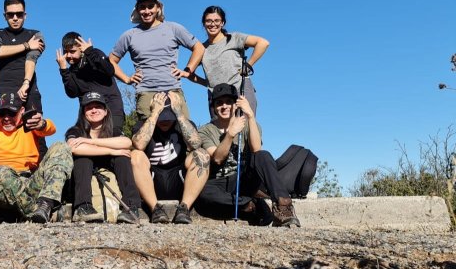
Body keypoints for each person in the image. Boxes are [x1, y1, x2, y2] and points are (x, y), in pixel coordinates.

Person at [197, 83, 300, 227]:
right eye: (219, 103)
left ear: (236, 105)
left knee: (263, 155)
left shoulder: (249, 125)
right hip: (219, 182)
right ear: (213, 107)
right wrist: (230, 134)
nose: (224, 106)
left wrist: (250, 116)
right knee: (201, 193)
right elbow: (218, 158)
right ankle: (250, 204)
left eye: (229, 102)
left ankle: (284, 206)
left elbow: (257, 150)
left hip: (244, 178)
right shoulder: (204, 131)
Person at [0, 93, 72, 223]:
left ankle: (45, 203)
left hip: (29, 181)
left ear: (21, 111)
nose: (6, 118)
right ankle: (39, 211)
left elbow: (51, 129)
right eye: (1, 113)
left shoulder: (29, 124)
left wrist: (41, 124)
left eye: (11, 113)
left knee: (61, 146)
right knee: (1, 172)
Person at [109, 0, 205, 121]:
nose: (146, 11)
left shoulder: (173, 28)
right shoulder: (130, 35)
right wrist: (127, 79)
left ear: (158, 8)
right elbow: (111, 60)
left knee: (185, 134)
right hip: (145, 92)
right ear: (137, 10)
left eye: (150, 6)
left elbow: (198, 48)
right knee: (147, 136)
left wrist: (188, 71)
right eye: (142, 7)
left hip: (173, 90)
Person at [130, 92, 210, 224]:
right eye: (162, 117)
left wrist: (178, 113)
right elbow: (138, 144)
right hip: (152, 179)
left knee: (201, 154)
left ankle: (184, 208)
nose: (165, 121)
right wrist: (155, 114)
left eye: (168, 117)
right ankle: (155, 209)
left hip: (177, 178)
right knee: (136, 155)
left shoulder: (183, 123)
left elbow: (196, 144)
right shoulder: (142, 124)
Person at [65, 92, 140, 224]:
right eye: (89, 108)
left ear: (105, 111)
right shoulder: (75, 130)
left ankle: (131, 207)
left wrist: (90, 142)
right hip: (82, 174)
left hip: (109, 169)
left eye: (98, 107)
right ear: (83, 113)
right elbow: (73, 148)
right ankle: (83, 207)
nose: (94, 110)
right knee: (83, 159)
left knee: (122, 157)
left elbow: (127, 143)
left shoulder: (114, 130)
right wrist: (111, 151)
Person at [196, 5, 270, 118]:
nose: (212, 24)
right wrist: (207, 83)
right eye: (209, 21)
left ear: (222, 23)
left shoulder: (234, 38)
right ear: (204, 23)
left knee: (245, 129)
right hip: (216, 96)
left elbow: (263, 43)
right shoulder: (201, 48)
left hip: (240, 88)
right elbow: (189, 72)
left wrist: (248, 65)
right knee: (221, 133)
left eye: (217, 20)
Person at [0, 0, 45, 119]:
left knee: (35, 130)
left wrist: (26, 83)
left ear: (25, 15)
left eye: (19, 14)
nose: (15, 18)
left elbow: (31, 59)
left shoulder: (35, 34)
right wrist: (27, 45)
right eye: (10, 14)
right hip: (5, 93)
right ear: (5, 16)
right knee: (5, 134)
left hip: (29, 92)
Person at [57, 32, 125, 135]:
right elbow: (72, 93)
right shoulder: (71, 71)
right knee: (76, 137)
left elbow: (109, 70)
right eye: (66, 52)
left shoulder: (94, 54)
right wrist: (63, 70)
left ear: (80, 47)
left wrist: (90, 52)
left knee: (113, 137)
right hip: (89, 113)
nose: (69, 55)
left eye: (72, 51)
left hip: (111, 108)